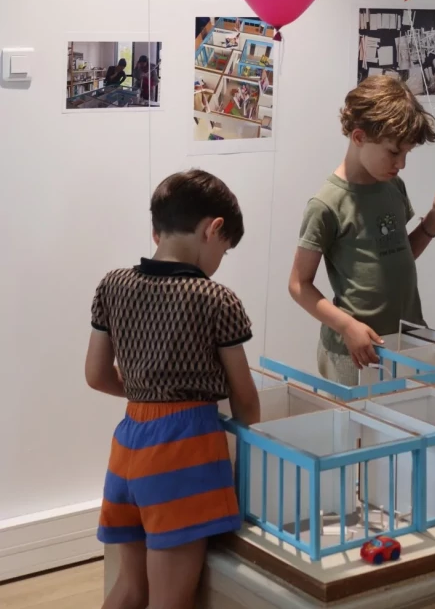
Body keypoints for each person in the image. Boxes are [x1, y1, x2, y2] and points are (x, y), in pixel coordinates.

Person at [85, 170, 260, 609]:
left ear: (155, 229)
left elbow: (97, 375)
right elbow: (244, 399)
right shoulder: (215, 299)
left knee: (129, 587)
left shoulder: (112, 285)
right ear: (213, 229)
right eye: (224, 248)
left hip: (128, 448)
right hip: (184, 450)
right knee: (170, 602)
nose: (221, 259)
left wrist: (147, 391)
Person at [288, 76, 435, 385]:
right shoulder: (326, 203)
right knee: (355, 433)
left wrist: (434, 219)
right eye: (394, 152)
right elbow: (298, 285)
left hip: (405, 339)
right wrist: (347, 326)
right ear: (359, 137)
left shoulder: (392, 186)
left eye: (407, 153)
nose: (402, 164)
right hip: (354, 350)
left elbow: (396, 253)